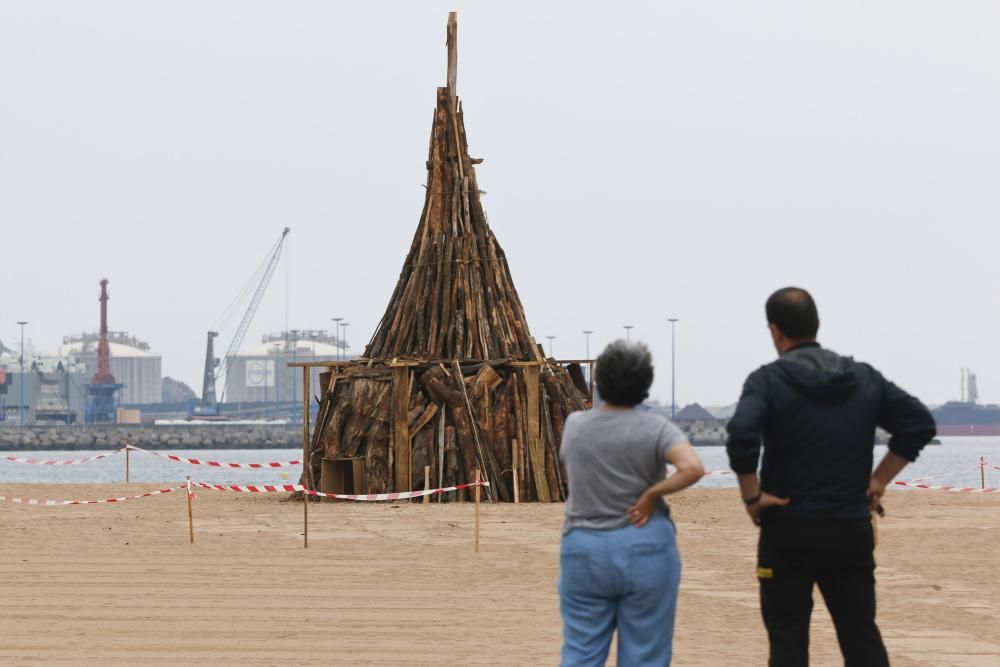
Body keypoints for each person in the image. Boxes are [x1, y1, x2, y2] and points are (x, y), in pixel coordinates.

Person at [726, 287, 936, 666]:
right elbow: (918, 424)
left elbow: (741, 436)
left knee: (787, 644)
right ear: (817, 324)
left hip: (787, 528)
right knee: (860, 639)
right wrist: (879, 480)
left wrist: (751, 497)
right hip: (849, 527)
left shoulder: (767, 381)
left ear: (774, 331)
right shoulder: (864, 378)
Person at [559, 340, 704, 666]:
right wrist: (653, 494)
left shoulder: (575, 426)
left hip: (584, 546)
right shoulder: (657, 428)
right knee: (646, 651)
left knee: (581, 650)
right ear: (645, 384)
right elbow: (692, 468)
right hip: (645, 544)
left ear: (601, 382)